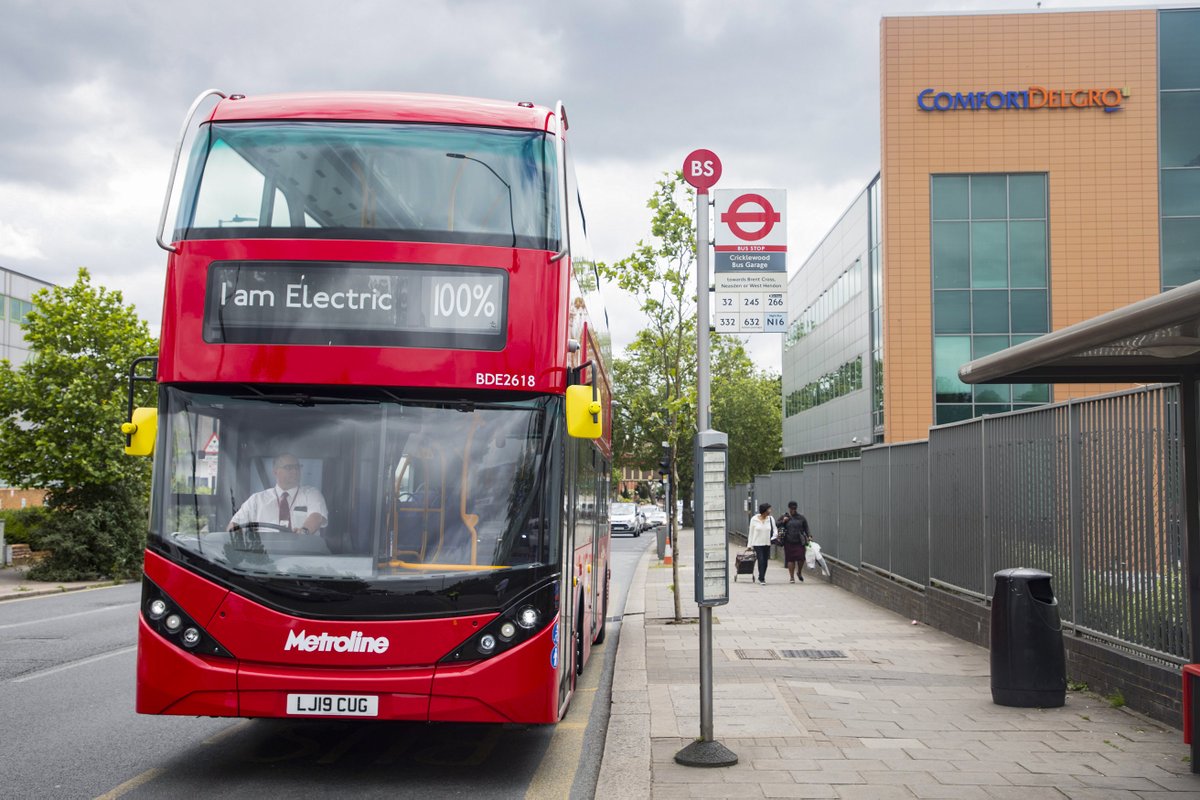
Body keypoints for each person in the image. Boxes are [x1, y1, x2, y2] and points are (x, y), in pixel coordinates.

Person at [228, 453, 328, 535]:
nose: (295, 471)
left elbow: (316, 516)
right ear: (276, 472)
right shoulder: (256, 499)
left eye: (297, 467)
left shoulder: (311, 494)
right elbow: (234, 525)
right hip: (263, 555)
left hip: (303, 555)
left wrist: (303, 532)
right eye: (289, 467)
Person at [777, 500, 810, 583]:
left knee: (801, 558)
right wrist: (783, 521)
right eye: (792, 509)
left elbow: (806, 527)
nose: (793, 510)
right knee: (790, 559)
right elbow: (777, 524)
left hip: (799, 541)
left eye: (795, 508)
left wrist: (809, 536)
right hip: (788, 541)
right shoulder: (784, 516)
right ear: (789, 508)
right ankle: (791, 577)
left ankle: (799, 572)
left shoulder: (801, 517)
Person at [746, 502, 777, 585]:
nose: (770, 511)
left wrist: (773, 537)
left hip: (767, 543)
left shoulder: (770, 519)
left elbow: (775, 530)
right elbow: (751, 533)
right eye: (769, 509)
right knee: (761, 559)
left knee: (765, 561)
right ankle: (762, 578)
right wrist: (749, 545)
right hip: (757, 543)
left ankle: (761, 576)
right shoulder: (754, 519)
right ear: (764, 510)